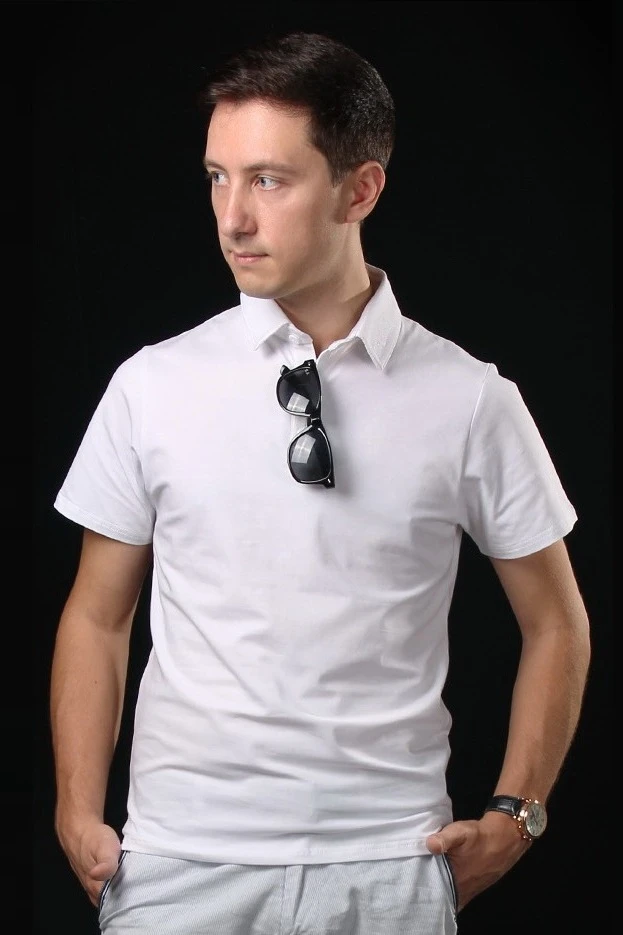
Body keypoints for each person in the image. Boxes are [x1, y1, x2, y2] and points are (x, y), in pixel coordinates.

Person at [50, 30, 591, 935]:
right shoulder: (151, 385)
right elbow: (97, 615)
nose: (232, 217)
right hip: (180, 865)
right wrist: (76, 809)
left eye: (268, 179)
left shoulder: (469, 398)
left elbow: (556, 621)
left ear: (359, 189)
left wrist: (517, 813)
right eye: (217, 177)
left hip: (388, 865)